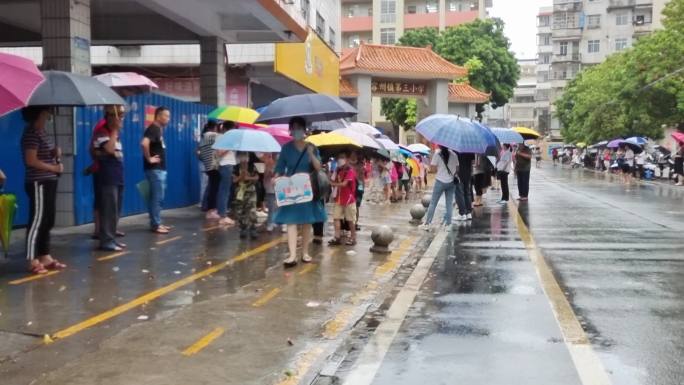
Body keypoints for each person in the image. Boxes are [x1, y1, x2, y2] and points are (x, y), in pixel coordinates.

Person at [274, 117, 327, 267]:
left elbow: (318, 168)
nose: (296, 131)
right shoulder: (286, 148)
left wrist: (311, 154)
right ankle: (292, 255)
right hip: (291, 189)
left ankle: (304, 252)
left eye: (299, 127)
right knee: (291, 221)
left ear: (304, 130)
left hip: (308, 189)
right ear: (290, 130)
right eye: (294, 128)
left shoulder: (312, 147)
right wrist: (276, 179)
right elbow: (279, 168)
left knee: (307, 222)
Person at [21, 106, 66, 274]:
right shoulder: (31, 133)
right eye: (47, 112)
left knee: (48, 220)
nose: (49, 115)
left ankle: (44, 255)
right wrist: (53, 168)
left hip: (49, 181)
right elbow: (30, 160)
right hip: (38, 182)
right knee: (37, 221)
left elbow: (42, 154)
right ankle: (32, 259)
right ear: (40, 114)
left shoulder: (42, 133)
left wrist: (55, 152)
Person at [93, 105, 127, 251]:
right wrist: (114, 129)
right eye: (119, 115)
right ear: (110, 116)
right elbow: (109, 149)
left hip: (117, 175)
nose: (121, 119)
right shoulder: (103, 131)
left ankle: (111, 237)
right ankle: (106, 240)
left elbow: (116, 153)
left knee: (115, 208)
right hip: (107, 175)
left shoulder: (114, 134)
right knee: (108, 208)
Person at [141, 106, 172, 234]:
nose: (168, 119)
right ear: (158, 116)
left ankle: (157, 222)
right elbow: (144, 143)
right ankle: (156, 224)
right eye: (166, 116)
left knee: (157, 197)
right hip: (155, 170)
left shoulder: (158, 129)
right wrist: (149, 158)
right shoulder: (153, 128)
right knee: (157, 198)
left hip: (159, 170)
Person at [420, 146, 458, 230]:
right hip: (451, 182)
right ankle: (448, 224)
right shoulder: (454, 155)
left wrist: (439, 167)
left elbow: (432, 168)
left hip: (439, 181)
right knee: (449, 204)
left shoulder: (437, 154)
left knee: (433, 203)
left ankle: (427, 223)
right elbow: (457, 169)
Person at [329, 152, 357, 246]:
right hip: (339, 199)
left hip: (349, 199)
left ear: (347, 159)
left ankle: (353, 238)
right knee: (336, 218)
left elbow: (344, 184)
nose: (340, 160)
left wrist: (334, 184)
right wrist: (332, 173)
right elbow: (331, 179)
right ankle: (337, 237)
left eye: (342, 157)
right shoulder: (337, 170)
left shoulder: (350, 171)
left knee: (350, 220)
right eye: (339, 158)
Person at [231, 152, 259, 239]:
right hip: (240, 191)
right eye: (242, 157)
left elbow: (257, 178)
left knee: (252, 210)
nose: (244, 159)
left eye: (245, 157)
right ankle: (243, 228)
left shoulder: (252, 166)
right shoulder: (235, 168)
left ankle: (253, 228)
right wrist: (241, 176)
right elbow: (234, 180)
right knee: (240, 211)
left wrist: (248, 177)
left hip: (251, 191)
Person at [215, 122, 237, 226]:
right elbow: (219, 153)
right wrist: (230, 146)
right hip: (225, 165)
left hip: (227, 165)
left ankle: (222, 213)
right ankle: (223, 216)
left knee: (224, 190)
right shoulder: (222, 137)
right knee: (224, 191)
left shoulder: (225, 137)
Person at [198, 121, 221, 220]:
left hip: (208, 165)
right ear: (214, 127)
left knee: (212, 187)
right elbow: (224, 140)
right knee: (214, 189)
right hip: (214, 165)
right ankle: (211, 210)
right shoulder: (212, 135)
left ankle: (210, 209)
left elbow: (200, 152)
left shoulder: (203, 137)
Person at [454, 152, 474, 221]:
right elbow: (472, 162)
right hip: (468, 173)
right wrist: (471, 172)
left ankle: (462, 214)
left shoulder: (455, 150)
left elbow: (454, 163)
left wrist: (455, 173)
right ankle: (468, 213)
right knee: (467, 193)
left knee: (459, 194)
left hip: (459, 174)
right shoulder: (470, 148)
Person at [262, 153, 277, 232]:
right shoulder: (268, 162)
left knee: (276, 206)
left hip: (278, 187)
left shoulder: (281, 163)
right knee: (271, 207)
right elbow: (266, 175)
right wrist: (270, 171)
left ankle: (274, 221)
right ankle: (270, 223)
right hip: (270, 188)